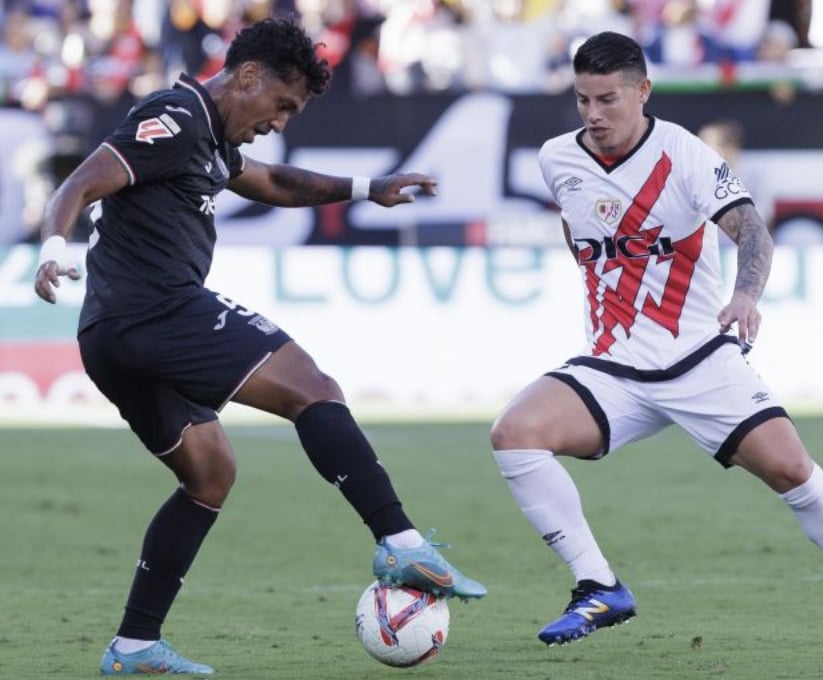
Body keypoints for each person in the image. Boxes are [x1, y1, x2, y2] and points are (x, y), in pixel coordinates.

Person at [32, 17, 486, 676]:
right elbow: (82, 181)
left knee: (209, 475)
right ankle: (399, 540)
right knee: (314, 388)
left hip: (111, 337)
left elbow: (274, 183)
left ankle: (133, 647)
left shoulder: (212, 141)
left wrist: (366, 189)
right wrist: (53, 248)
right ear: (247, 76)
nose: (279, 120)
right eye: (281, 105)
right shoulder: (177, 113)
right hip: (154, 311)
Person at [489, 31, 823, 657]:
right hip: (615, 366)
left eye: (608, 99)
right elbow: (580, 232)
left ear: (643, 91)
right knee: (514, 434)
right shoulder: (557, 158)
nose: (593, 114)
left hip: (699, 358)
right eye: (583, 99)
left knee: (791, 470)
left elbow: (752, 231)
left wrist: (746, 296)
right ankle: (598, 584)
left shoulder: (687, 156)